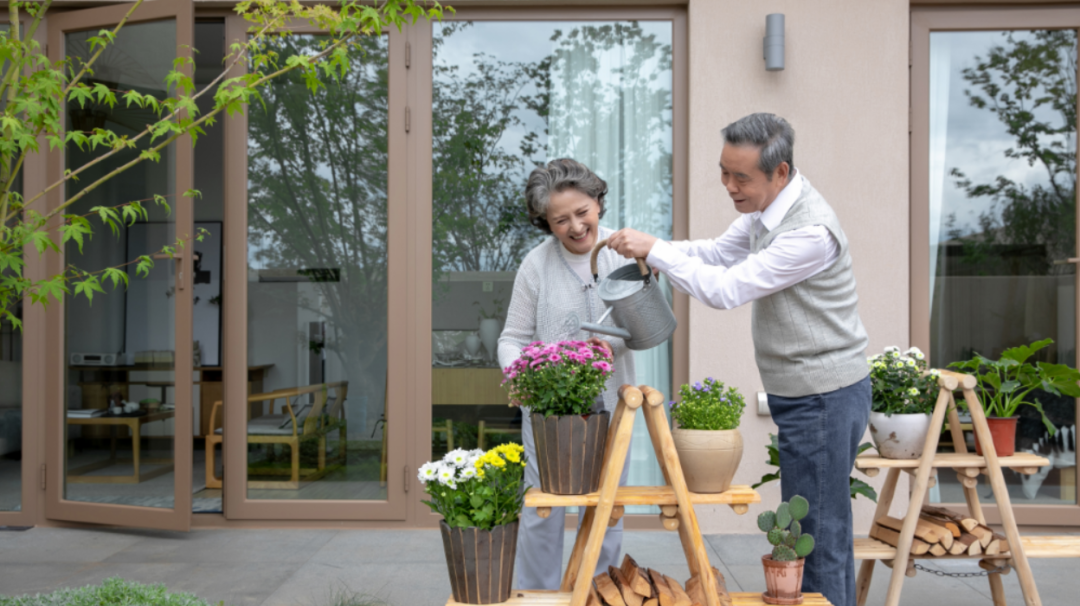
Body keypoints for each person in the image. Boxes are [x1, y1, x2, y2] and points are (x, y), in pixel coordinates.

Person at [606, 113, 870, 606]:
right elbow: (714, 254)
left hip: (825, 396)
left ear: (781, 172)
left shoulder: (810, 233)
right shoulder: (762, 212)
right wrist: (655, 248)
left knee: (821, 534)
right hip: (804, 394)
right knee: (809, 526)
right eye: (724, 171)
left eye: (741, 176)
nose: (729, 185)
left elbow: (727, 289)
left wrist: (658, 251)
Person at [497, 158, 636, 590]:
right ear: (546, 222)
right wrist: (517, 373)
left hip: (614, 410)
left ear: (598, 202)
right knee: (543, 512)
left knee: (606, 513)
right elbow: (512, 337)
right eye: (561, 220)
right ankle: (536, 597)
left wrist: (608, 343)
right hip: (549, 418)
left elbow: (646, 327)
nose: (576, 226)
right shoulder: (536, 265)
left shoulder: (624, 251)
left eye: (583, 212)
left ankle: (599, 596)